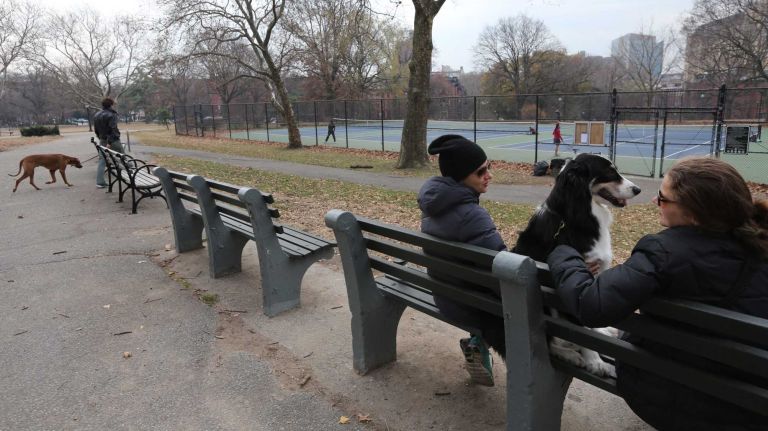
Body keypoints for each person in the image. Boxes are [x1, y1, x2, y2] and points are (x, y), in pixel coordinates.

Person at [546, 157, 768, 431]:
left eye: (662, 198)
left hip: (673, 394)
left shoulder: (664, 252)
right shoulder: (757, 244)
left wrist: (563, 251)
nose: (654, 201)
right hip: (754, 401)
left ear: (694, 213)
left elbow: (591, 305)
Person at [418, 134, 506, 387]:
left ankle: (477, 342)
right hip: (471, 306)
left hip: (445, 295)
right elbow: (500, 270)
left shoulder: (432, 206)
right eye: (481, 172)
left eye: (489, 167)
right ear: (460, 176)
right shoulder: (472, 216)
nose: (489, 175)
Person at [93, 97, 124, 188]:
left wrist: (101, 138)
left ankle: (99, 182)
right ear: (111, 104)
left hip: (102, 139)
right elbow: (113, 129)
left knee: (102, 160)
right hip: (113, 140)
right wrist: (109, 142)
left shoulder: (97, 115)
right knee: (123, 157)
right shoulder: (112, 114)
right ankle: (133, 177)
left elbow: (96, 129)